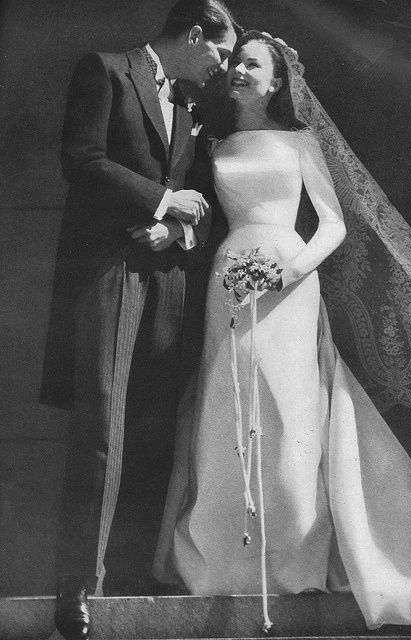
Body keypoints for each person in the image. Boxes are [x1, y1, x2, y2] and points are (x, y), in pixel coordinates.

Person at [153, 30, 411, 630]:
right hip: (228, 276)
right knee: (227, 407)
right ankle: (221, 564)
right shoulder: (212, 141)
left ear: (277, 81)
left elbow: (331, 223)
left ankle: (295, 562)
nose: (239, 71)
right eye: (237, 64)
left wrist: (291, 269)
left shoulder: (300, 141)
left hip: (290, 280)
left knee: (289, 410)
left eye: (253, 64)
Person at [40, 2, 238, 639]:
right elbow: (85, 162)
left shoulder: (189, 107)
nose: (222, 67)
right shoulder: (104, 71)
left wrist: (172, 229)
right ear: (191, 34)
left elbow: (201, 207)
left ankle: (127, 577)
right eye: (220, 52)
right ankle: (80, 586)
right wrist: (161, 199)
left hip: (168, 283)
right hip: (105, 276)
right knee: (102, 422)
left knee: (153, 425)